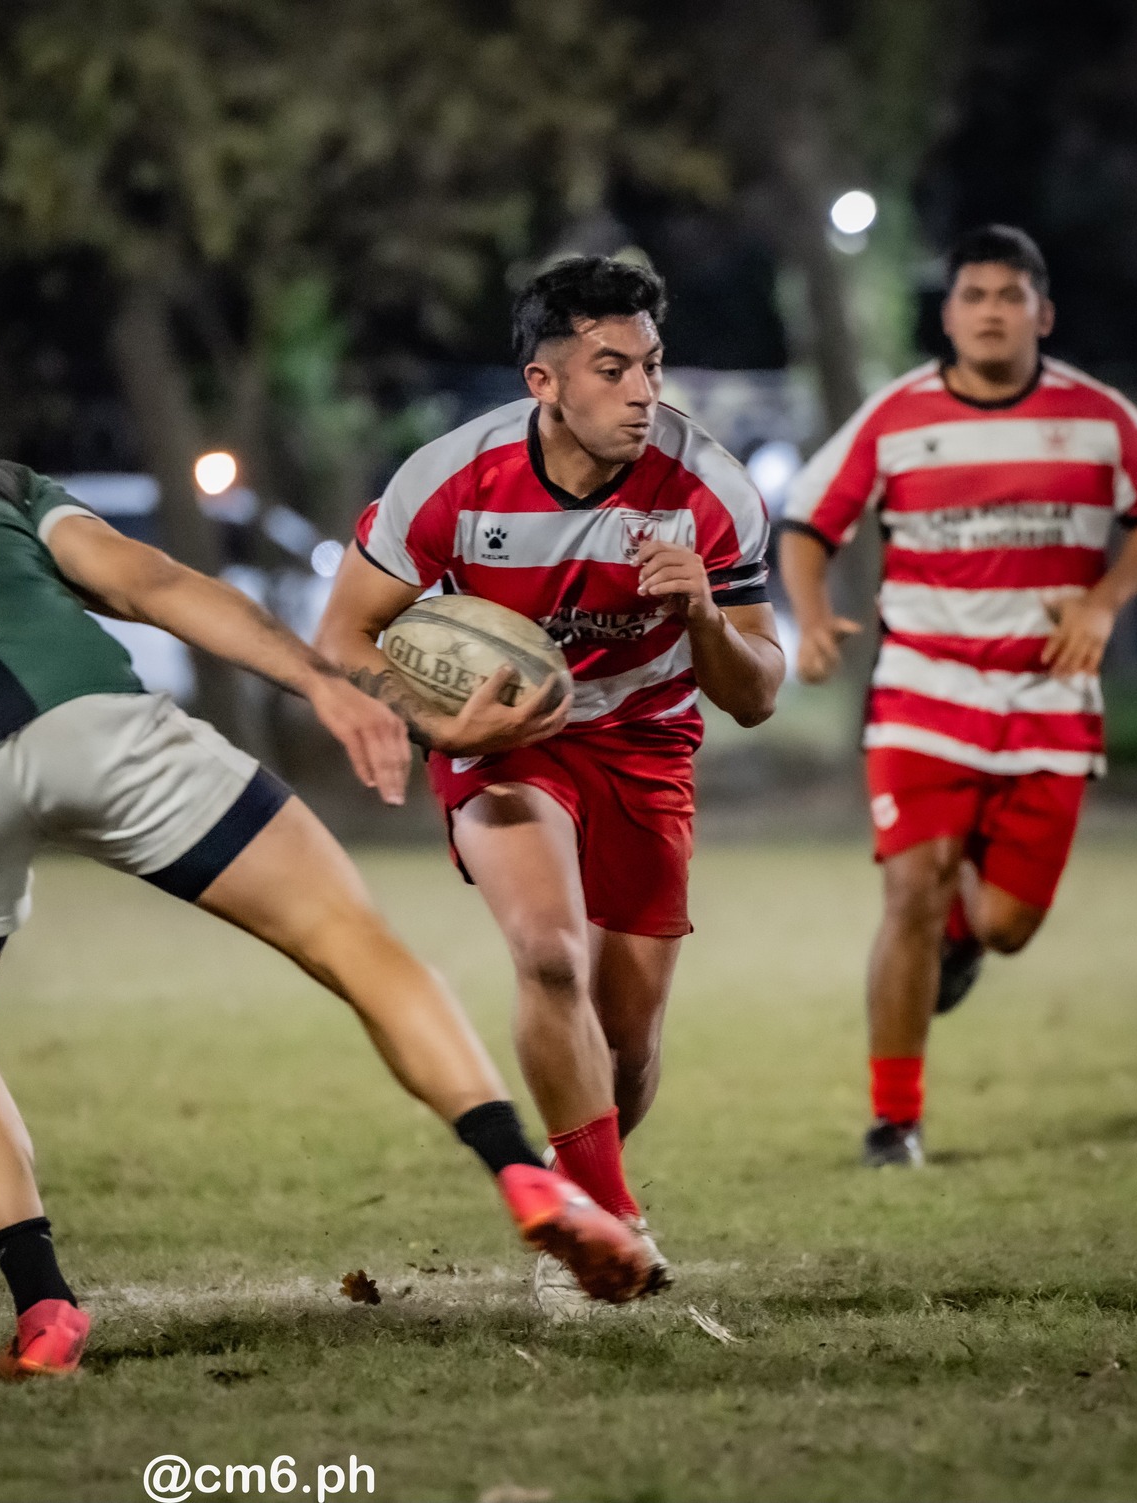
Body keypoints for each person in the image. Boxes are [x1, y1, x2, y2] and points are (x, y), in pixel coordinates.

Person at [0, 377, 656, 1381]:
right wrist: (316, 683)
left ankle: (42, 1303)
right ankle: (521, 1172)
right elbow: (150, 585)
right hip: (94, 723)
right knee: (352, 939)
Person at [315, 257, 783, 1315]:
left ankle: (582, 1197)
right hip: (503, 743)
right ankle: (605, 1226)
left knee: (626, 1038)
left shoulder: (708, 489)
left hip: (646, 742)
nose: (640, 392)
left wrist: (704, 617)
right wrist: (442, 720)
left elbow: (755, 696)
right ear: (542, 383)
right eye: (610, 369)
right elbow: (342, 636)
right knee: (548, 954)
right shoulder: (447, 479)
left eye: (650, 367)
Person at [778, 225, 1137, 1168]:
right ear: (950, 313)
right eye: (974, 296)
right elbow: (808, 521)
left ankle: (964, 933)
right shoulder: (895, 417)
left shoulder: (1098, 417)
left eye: (1011, 296)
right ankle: (895, 1122)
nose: (992, 312)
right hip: (924, 691)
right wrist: (808, 615)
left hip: (1050, 700)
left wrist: (1106, 596)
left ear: (1043, 313)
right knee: (909, 888)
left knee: (1005, 924)